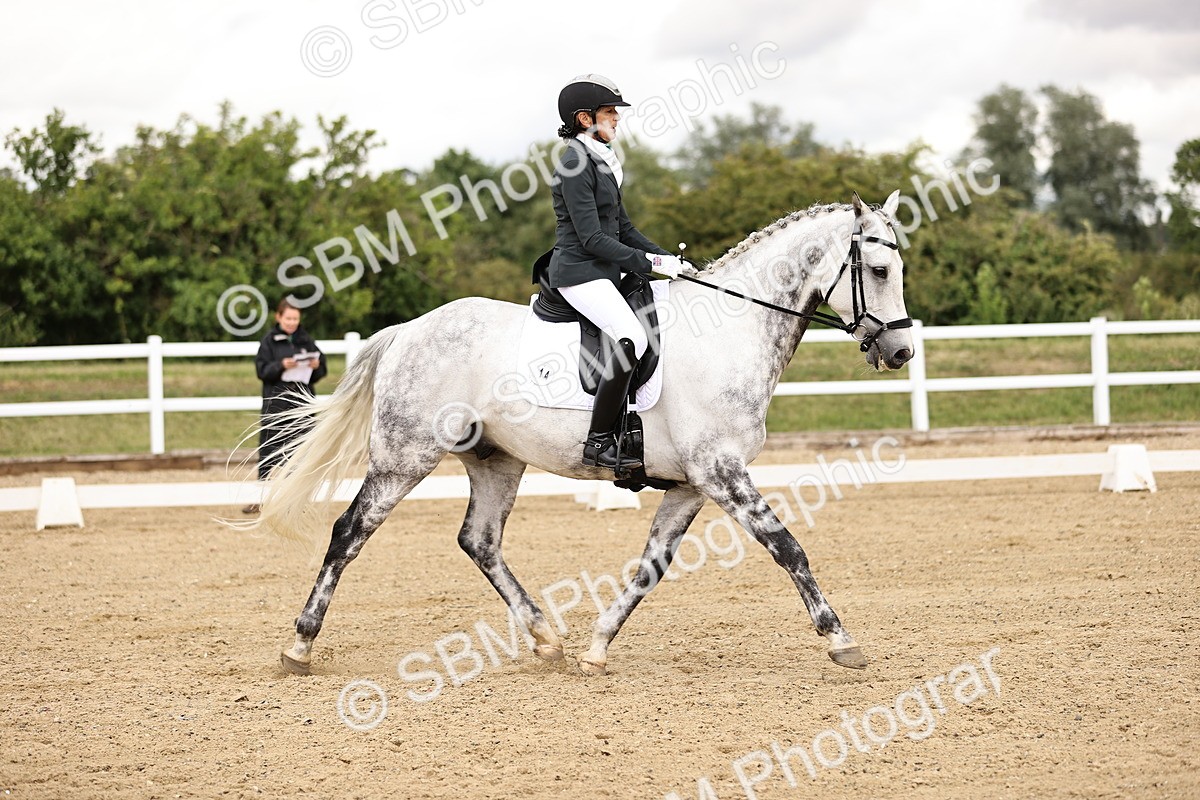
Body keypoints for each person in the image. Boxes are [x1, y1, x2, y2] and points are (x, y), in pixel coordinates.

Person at [549, 73, 689, 473]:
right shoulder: (574, 164)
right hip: (579, 272)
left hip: (604, 271)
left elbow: (624, 229)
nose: (617, 119)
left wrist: (669, 259)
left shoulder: (601, 161)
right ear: (584, 119)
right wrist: (649, 264)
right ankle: (597, 442)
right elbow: (592, 237)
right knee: (632, 339)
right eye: (610, 112)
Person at [242, 299, 328, 514]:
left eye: (295, 318)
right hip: (276, 405)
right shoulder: (268, 342)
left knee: (300, 453)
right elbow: (262, 371)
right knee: (269, 453)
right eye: (288, 318)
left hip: (302, 405)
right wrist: (280, 366)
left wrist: (316, 366)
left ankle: (296, 500)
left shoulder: (306, 340)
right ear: (279, 317)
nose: (292, 322)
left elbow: (321, 371)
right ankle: (261, 498)